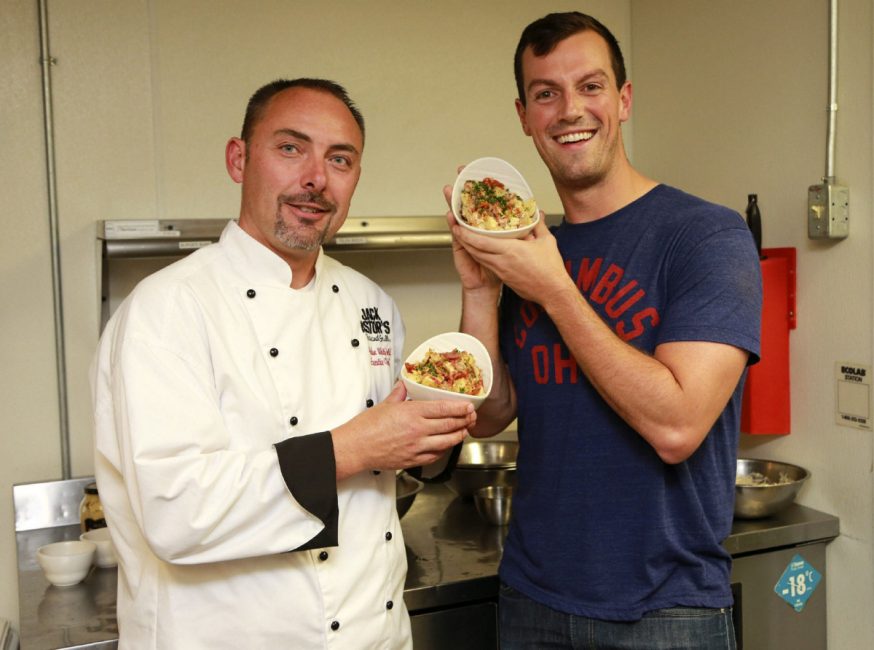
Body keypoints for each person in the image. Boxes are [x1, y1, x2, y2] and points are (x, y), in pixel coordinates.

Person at [92, 78, 476, 649]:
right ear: (238, 160)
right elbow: (175, 513)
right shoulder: (167, 308)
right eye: (291, 148)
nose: (316, 178)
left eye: (339, 159)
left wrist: (427, 437)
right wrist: (355, 446)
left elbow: (397, 461)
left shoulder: (371, 304)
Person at [445, 12, 762, 650]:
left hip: (666, 612)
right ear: (524, 115)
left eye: (590, 86)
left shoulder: (706, 235)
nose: (570, 110)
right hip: (532, 600)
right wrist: (480, 289)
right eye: (546, 93)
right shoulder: (533, 248)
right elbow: (489, 415)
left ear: (624, 99)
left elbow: (677, 427)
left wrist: (556, 290)